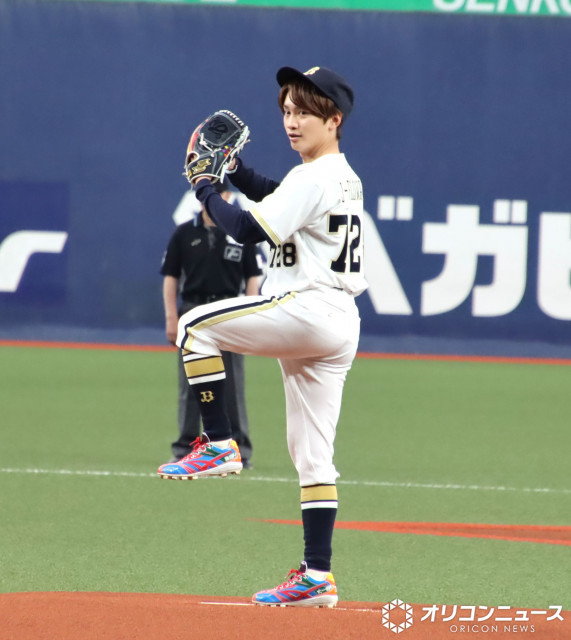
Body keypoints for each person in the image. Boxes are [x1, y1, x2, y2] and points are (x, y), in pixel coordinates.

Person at [158, 65, 367, 608]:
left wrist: (205, 185)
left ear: (334, 119)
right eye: (288, 111)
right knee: (314, 457)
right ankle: (317, 576)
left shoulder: (313, 178)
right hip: (339, 324)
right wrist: (238, 173)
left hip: (308, 308)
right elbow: (279, 197)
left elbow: (248, 228)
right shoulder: (338, 175)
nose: (292, 122)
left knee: (194, 326)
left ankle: (219, 443)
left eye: (306, 112)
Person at [160, 180, 262, 467]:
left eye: (221, 193)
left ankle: (239, 448)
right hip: (193, 311)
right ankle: (185, 446)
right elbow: (171, 277)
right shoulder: (184, 233)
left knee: (232, 385)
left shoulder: (240, 233)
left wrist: (251, 315)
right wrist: (171, 317)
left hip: (229, 311)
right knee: (191, 383)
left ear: (228, 196)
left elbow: (252, 278)